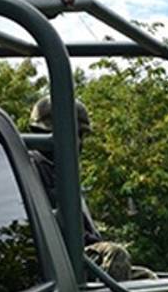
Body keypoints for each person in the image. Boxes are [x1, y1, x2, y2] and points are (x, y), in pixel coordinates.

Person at [26, 97, 141, 281]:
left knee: (146, 279)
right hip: (58, 257)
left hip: (77, 252)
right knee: (115, 254)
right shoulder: (34, 166)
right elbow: (55, 226)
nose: (80, 143)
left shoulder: (61, 170)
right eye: (76, 135)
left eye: (81, 136)